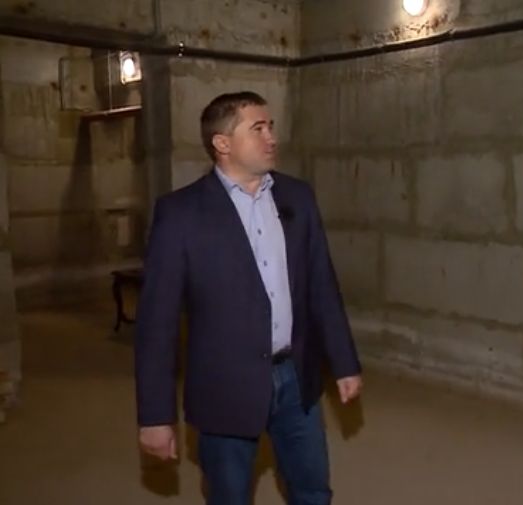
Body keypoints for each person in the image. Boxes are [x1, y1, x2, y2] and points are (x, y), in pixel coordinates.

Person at [134, 91, 363, 505]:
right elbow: (156, 325)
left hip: (297, 378)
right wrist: (155, 416)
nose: (271, 137)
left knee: (313, 490)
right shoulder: (180, 213)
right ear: (222, 143)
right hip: (224, 387)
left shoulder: (298, 197)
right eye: (257, 128)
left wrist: (344, 363)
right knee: (230, 496)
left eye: (270, 126)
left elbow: (321, 286)